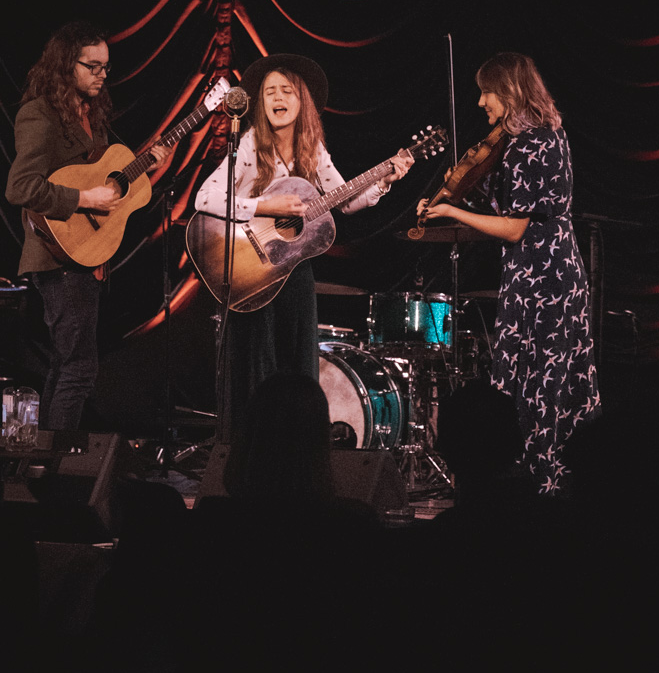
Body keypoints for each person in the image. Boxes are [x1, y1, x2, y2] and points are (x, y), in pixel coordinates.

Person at [194, 52, 412, 439]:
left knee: (296, 364)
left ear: (301, 101)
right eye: (269, 92)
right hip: (250, 272)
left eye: (287, 91)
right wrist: (264, 205)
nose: (278, 98)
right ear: (260, 104)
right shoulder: (248, 146)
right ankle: (252, 448)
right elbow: (204, 199)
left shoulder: (313, 151)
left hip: (292, 272)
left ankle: (294, 448)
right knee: (257, 366)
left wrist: (384, 180)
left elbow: (345, 200)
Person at [419, 51, 601, 494]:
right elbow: (512, 210)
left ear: (510, 91)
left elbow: (515, 227)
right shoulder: (539, 137)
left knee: (535, 379)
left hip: (543, 276)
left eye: (487, 91)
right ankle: (558, 482)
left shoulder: (531, 143)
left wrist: (452, 210)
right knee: (549, 379)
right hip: (548, 269)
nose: (481, 102)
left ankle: (536, 485)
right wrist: (462, 191)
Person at [5, 20, 170, 431]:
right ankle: (57, 466)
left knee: (66, 365)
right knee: (79, 368)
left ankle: (41, 459)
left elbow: (105, 177)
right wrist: (83, 199)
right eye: (91, 66)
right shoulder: (39, 113)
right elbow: (20, 187)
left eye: (105, 67)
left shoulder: (87, 115)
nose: (101, 75)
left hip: (84, 256)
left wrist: (151, 163)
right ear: (65, 65)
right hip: (57, 254)